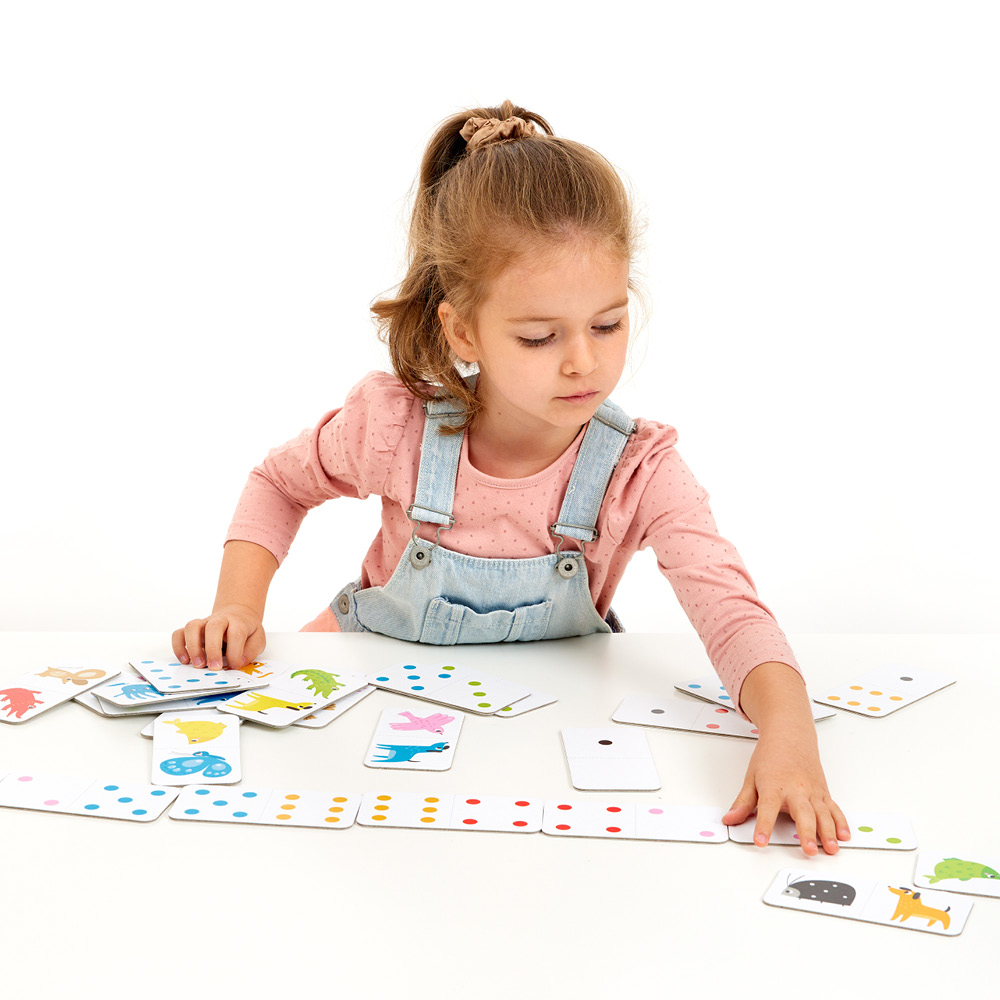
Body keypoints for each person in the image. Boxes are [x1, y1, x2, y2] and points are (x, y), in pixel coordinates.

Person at [172, 99, 849, 856]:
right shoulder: (393, 426)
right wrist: (236, 606)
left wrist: (791, 737)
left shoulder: (641, 469)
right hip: (361, 716)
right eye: (538, 336)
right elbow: (278, 483)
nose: (582, 362)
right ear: (464, 330)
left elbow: (733, 615)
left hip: (538, 739)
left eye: (607, 323)